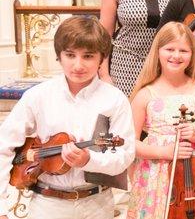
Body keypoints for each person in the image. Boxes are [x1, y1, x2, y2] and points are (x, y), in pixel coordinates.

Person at [0, 16, 135, 219]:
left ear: (102, 57)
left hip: (96, 204)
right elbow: (4, 145)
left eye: (88, 56)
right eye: (70, 55)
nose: (78, 65)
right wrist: (3, 204)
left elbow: (124, 156)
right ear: (59, 55)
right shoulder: (38, 95)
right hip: (46, 205)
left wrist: (89, 159)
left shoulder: (114, 100)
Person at [127, 22, 195, 219]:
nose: (176, 55)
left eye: (183, 50)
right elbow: (129, 144)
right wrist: (163, 151)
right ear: (158, 52)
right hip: (155, 177)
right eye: (169, 49)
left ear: (192, 55)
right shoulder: (145, 95)